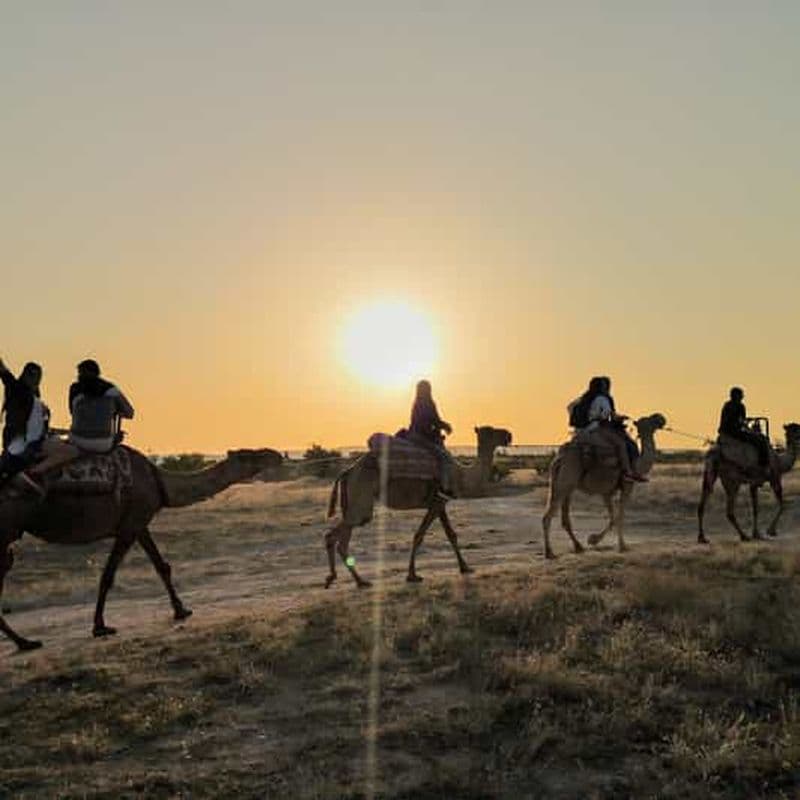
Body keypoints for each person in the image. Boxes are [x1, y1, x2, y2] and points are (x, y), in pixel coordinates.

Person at [569, 376, 647, 482]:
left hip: (581, 431)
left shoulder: (584, 398)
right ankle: (627, 472)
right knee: (621, 444)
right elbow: (608, 415)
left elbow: (570, 407)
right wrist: (621, 418)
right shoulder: (602, 399)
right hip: (596, 428)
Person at [0, 357, 48, 492]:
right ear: (26, 376)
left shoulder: (34, 395)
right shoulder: (17, 388)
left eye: (37, 377)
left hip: (24, 439)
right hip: (17, 437)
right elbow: (5, 374)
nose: (35, 380)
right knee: (12, 467)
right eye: (32, 376)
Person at [68, 359, 135, 453]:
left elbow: (72, 412)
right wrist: (113, 410)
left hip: (78, 440)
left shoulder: (75, 389)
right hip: (104, 443)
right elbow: (130, 413)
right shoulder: (111, 389)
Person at [408, 379, 454, 496]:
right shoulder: (425, 404)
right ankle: (443, 488)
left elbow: (434, 420)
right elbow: (431, 420)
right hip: (420, 436)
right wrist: (444, 427)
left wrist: (442, 426)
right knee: (444, 458)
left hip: (418, 435)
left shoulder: (421, 403)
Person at [718, 387, 769, 467]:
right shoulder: (740, 406)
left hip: (726, 432)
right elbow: (741, 421)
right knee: (760, 440)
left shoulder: (727, 405)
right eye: (741, 395)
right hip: (734, 432)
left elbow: (738, 420)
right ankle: (763, 465)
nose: (742, 397)